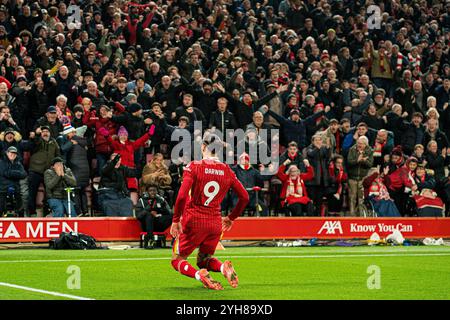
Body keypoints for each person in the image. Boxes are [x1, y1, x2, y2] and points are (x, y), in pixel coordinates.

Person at [170, 134, 249, 290]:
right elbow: (245, 197)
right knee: (203, 259)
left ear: (203, 147)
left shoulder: (194, 166)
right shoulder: (227, 170)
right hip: (215, 223)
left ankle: (200, 275)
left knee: (177, 259)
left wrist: (175, 219)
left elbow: (181, 197)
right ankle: (222, 268)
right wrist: (231, 217)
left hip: (194, 220)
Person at [136, 184, 173, 249]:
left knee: (173, 216)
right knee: (149, 215)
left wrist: (161, 209)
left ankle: (174, 240)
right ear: (147, 192)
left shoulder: (160, 199)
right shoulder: (142, 200)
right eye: (150, 191)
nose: (153, 192)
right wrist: (148, 209)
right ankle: (150, 241)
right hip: (146, 225)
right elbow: (139, 216)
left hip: (158, 223)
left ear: (157, 191)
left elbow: (169, 212)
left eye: (154, 190)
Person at [347, 136, 374, 216]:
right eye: (358, 143)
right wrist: (357, 161)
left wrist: (363, 161)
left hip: (363, 178)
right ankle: (352, 215)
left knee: (361, 198)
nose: (359, 145)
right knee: (352, 198)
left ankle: (361, 215)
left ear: (365, 144)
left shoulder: (369, 151)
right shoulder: (352, 149)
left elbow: (370, 164)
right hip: (352, 178)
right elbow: (349, 162)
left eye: (361, 144)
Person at [0, 147, 27, 216]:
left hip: (16, 189)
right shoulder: (1, 162)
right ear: (7, 153)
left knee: (21, 208)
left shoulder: (18, 163)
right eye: (11, 152)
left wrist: (11, 173)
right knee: (1, 207)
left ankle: (21, 224)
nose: (13, 154)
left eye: (15, 153)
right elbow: (5, 173)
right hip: (3, 189)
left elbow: (24, 174)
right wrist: (17, 173)